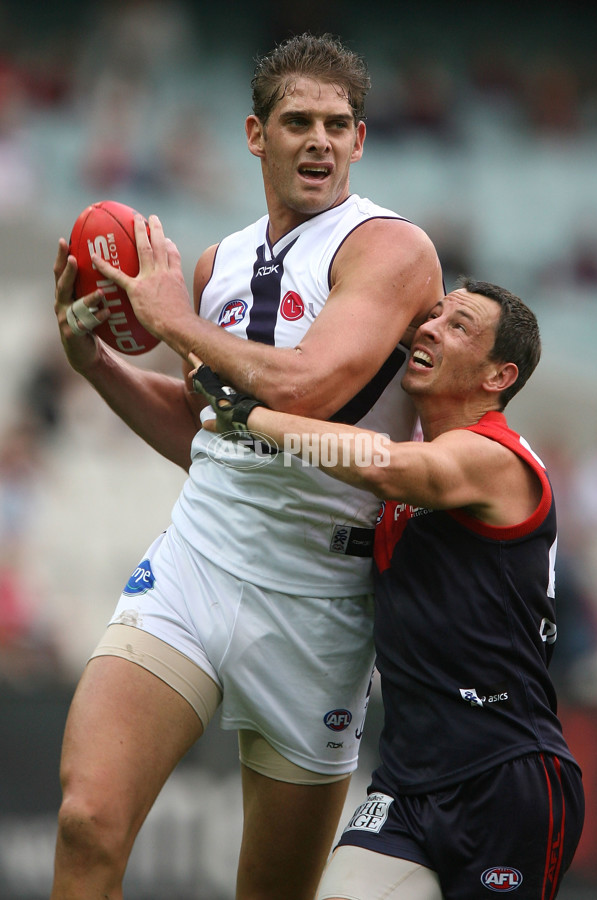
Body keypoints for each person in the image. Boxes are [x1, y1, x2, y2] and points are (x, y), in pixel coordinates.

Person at [51, 33, 444, 900]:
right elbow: (206, 435)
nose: (320, 140)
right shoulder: (216, 264)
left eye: (338, 124)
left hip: (319, 604)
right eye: (297, 120)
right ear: (254, 135)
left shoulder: (391, 248)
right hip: (200, 558)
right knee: (86, 821)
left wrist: (170, 320)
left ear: (361, 140)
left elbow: (309, 388)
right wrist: (99, 367)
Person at [195, 276, 585, 899]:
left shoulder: (498, 458)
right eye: (431, 317)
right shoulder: (408, 469)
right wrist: (102, 369)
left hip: (505, 777)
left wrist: (252, 414)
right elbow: (201, 451)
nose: (428, 328)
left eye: (458, 326)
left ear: (498, 377)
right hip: (406, 784)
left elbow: (385, 466)